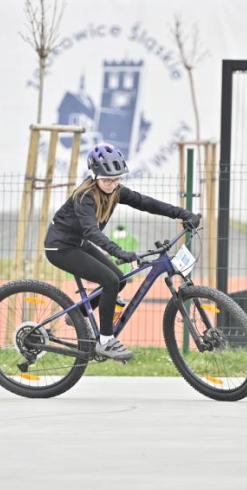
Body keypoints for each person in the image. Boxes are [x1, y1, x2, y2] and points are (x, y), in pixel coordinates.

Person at [44, 143, 200, 361]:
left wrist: (183, 214)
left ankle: (77, 315)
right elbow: (91, 231)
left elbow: (146, 203)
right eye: (107, 180)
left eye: (117, 178)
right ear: (94, 176)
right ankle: (106, 341)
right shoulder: (85, 196)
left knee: (120, 279)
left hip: (78, 243)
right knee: (109, 281)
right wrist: (119, 252)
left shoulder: (115, 190)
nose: (113, 184)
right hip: (60, 247)